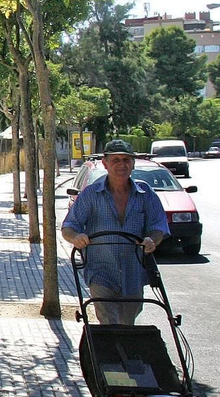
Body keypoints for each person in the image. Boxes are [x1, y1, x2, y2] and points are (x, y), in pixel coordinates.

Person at [61, 139, 169, 324]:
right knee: (108, 323)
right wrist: (76, 237)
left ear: (133, 163)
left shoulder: (145, 194)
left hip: (133, 270)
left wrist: (152, 240)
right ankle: (108, 344)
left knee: (128, 323)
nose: (121, 165)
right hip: (100, 270)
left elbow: (158, 226)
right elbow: (69, 226)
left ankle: (127, 343)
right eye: (116, 160)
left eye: (126, 160)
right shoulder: (91, 194)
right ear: (105, 163)